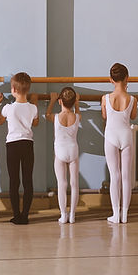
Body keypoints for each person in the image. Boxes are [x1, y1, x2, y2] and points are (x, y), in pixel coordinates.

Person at [0, 72, 39, 225]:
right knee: (28, 180)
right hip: (27, 144)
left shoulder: (8, 108)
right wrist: (36, 103)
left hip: (12, 145)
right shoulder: (32, 108)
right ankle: (25, 215)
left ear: (13, 89)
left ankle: (16, 215)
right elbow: (36, 122)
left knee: (14, 180)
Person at [102, 63, 136, 224]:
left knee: (115, 175)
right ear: (127, 78)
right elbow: (133, 116)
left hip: (111, 136)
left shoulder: (105, 98)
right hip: (126, 136)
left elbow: (104, 116)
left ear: (110, 80)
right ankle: (126, 214)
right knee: (126, 176)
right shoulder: (132, 99)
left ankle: (116, 214)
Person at [46, 87, 81, 224]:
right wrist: (77, 103)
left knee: (62, 183)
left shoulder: (55, 117)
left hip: (60, 152)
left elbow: (46, 114)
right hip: (73, 150)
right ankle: (72, 215)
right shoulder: (77, 117)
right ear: (73, 102)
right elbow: (77, 112)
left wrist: (52, 100)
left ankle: (63, 214)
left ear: (60, 101)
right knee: (74, 183)